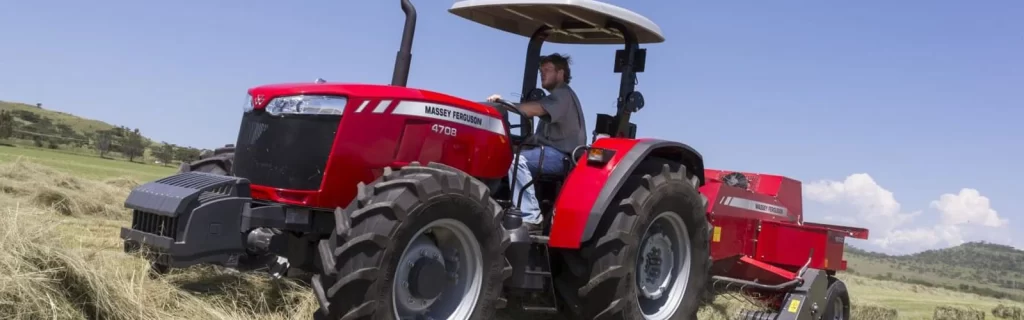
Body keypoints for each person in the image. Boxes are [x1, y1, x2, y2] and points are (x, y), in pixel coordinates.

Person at [487, 53, 587, 232]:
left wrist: (502, 105)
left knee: (517, 162)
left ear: (561, 73)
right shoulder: (553, 98)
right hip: (547, 152)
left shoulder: (562, 95)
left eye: (547, 70)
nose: (543, 74)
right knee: (507, 154)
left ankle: (531, 216)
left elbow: (534, 109)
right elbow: (537, 137)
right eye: (541, 70)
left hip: (561, 156)